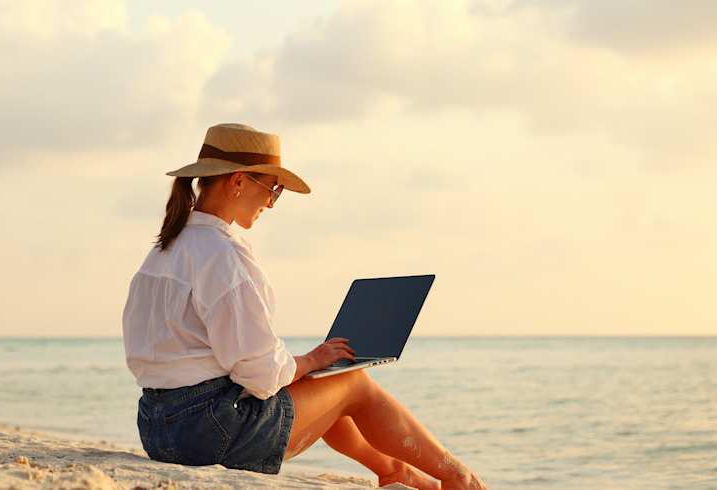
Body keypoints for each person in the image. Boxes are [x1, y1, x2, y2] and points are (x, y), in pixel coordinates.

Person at [122, 123, 487, 489]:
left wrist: (307, 366)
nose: (271, 202)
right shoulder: (224, 256)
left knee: (321, 382)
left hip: (158, 429)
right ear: (238, 181)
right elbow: (261, 375)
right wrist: (309, 361)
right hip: (209, 435)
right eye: (273, 189)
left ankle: (393, 469)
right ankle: (460, 479)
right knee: (352, 382)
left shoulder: (164, 250)